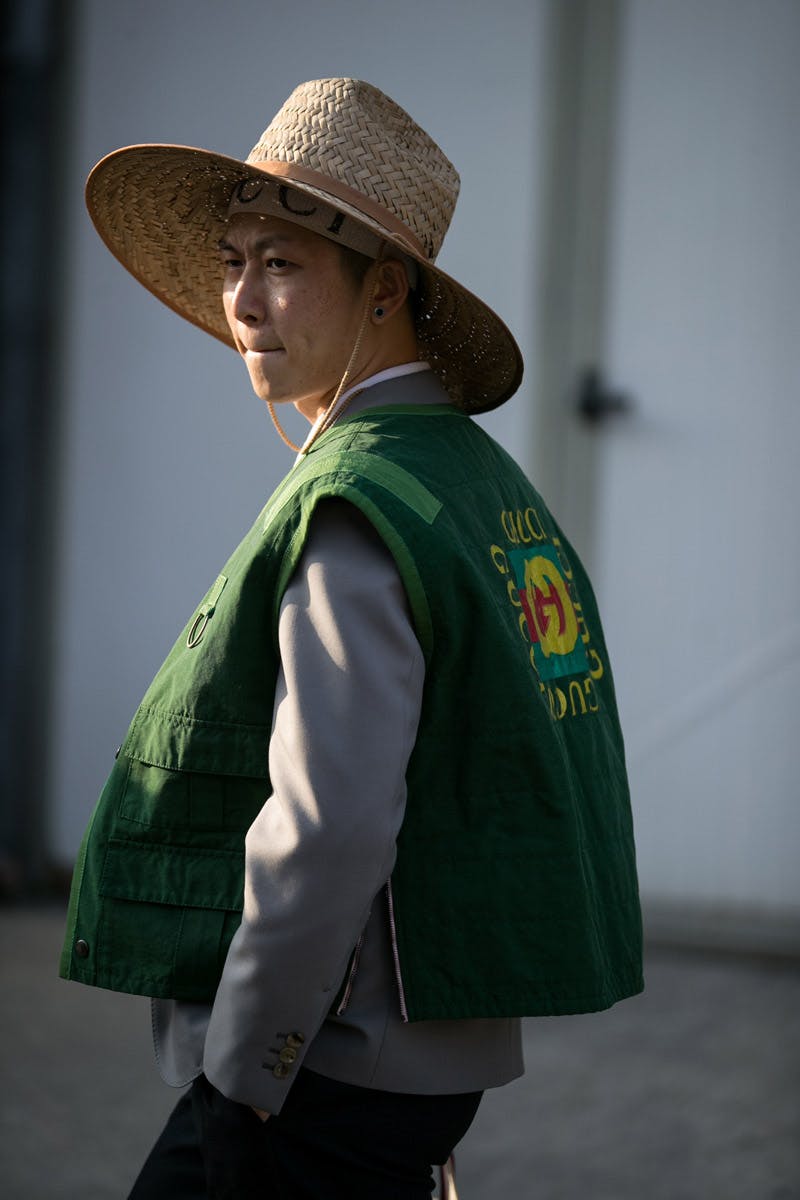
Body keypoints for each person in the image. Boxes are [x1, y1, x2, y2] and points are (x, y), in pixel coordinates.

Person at [60, 78, 643, 1199]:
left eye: (280, 265)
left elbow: (324, 834)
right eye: (232, 260)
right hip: (404, 1067)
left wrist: (241, 1081)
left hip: (321, 1075)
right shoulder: (470, 479)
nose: (240, 301)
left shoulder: (358, 504)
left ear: (382, 290)